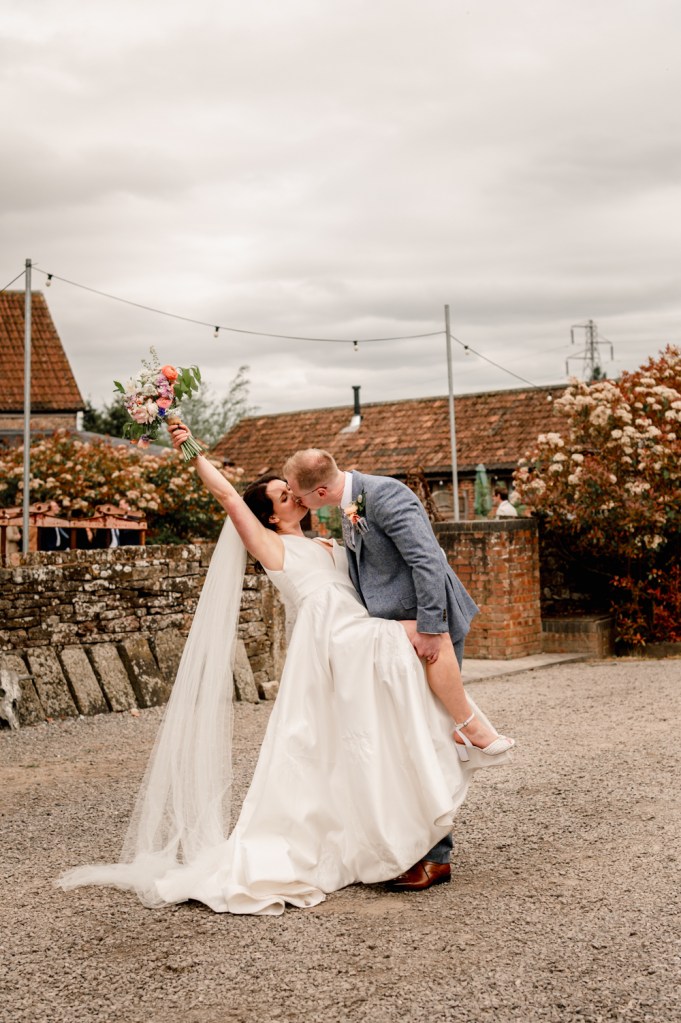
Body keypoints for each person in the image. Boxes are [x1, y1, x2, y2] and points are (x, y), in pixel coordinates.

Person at [58, 425, 514, 916]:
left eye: (291, 488)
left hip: (357, 638)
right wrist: (189, 446)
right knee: (428, 645)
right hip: (337, 644)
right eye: (281, 494)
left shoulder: (329, 538)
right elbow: (230, 496)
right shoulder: (272, 547)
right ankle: (472, 731)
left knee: (386, 736)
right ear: (270, 515)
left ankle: (417, 820)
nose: (291, 495)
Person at [283, 449, 508, 891]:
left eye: (298, 494)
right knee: (410, 736)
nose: (294, 498)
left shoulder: (385, 496)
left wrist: (429, 629)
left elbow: (428, 560)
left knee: (430, 736)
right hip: (394, 635)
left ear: (322, 491)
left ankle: (436, 857)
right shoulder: (351, 503)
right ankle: (419, 847)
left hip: (427, 631)